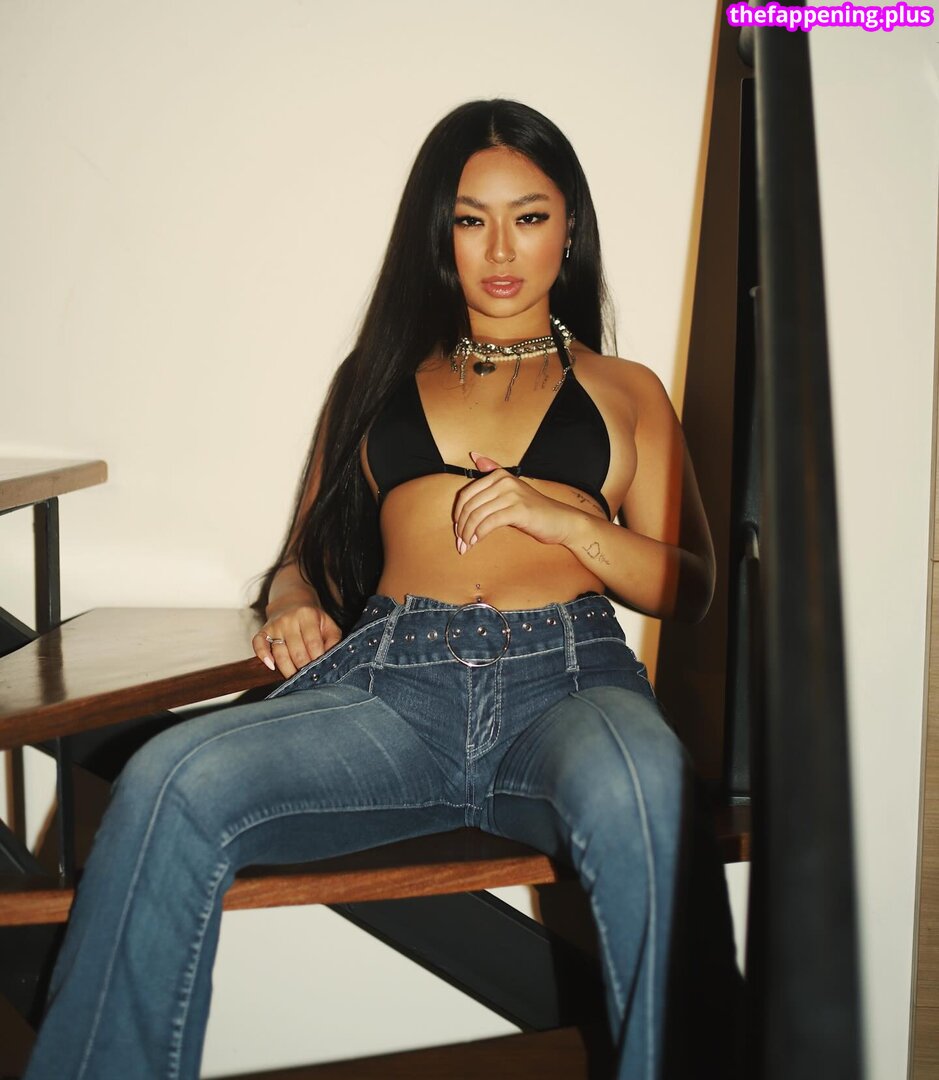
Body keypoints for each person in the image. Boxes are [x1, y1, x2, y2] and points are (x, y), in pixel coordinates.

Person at [24, 99, 734, 1080]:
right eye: (471, 219)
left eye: (528, 216)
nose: (500, 248)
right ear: (440, 234)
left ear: (569, 228)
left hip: (568, 687)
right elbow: (306, 553)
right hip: (393, 693)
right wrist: (290, 601)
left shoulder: (627, 390)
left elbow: (688, 586)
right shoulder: (378, 377)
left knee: (649, 785)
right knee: (171, 778)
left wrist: (566, 521)